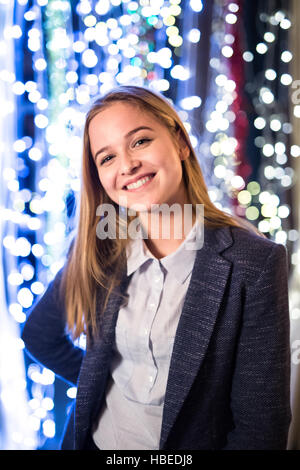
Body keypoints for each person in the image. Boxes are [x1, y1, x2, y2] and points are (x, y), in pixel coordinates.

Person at [22, 85, 291, 450]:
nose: (127, 165)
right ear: (98, 177)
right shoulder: (100, 249)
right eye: (106, 158)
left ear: (180, 142)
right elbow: (39, 335)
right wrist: (100, 382)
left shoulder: (254, 264)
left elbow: (260, 427)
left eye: (140, 141)